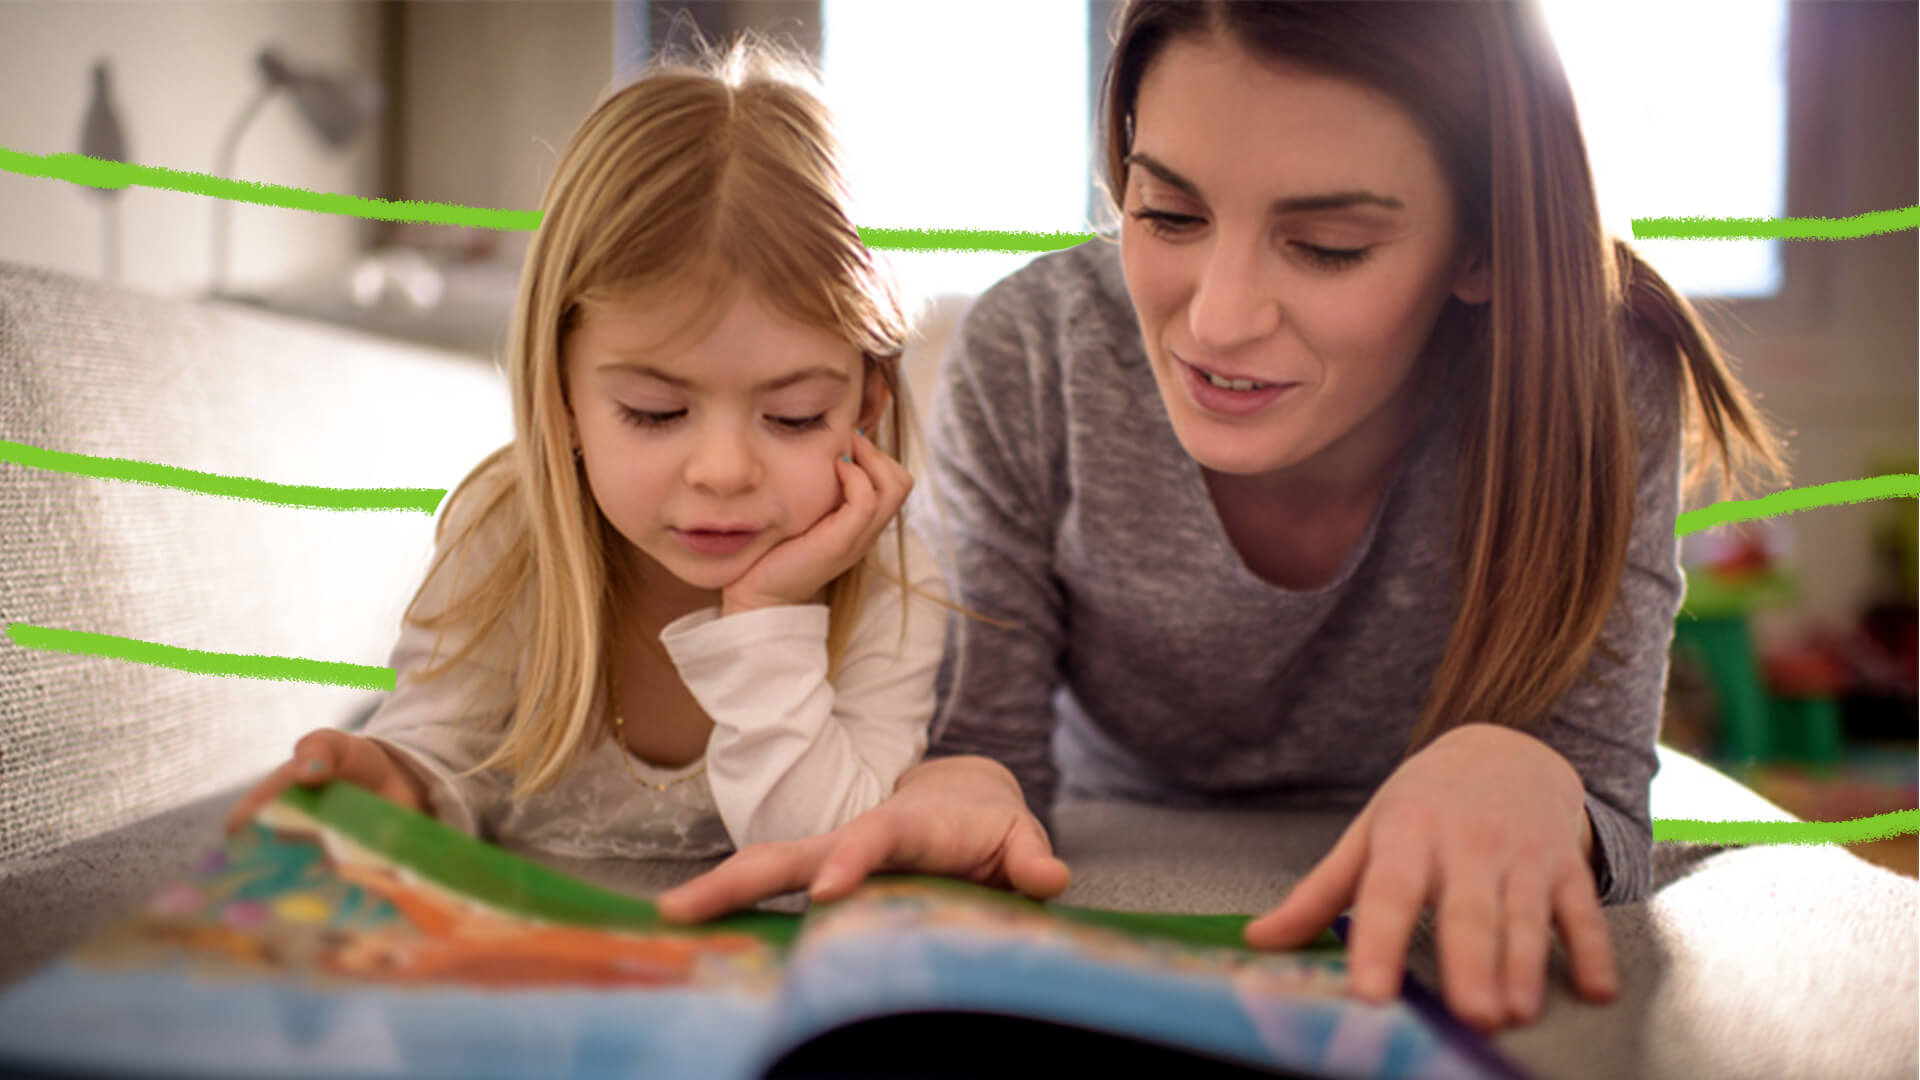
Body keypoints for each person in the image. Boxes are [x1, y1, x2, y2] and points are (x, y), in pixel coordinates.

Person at [657, 0, 1781, 1035]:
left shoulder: (1601, 372)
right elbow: (985, 760)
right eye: (1169, 212)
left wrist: (1540, 788)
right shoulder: (1034, 355)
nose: (1219, 318)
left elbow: (1612, 826)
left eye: (1330, 245)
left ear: (1480, 244)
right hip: (1115, 828)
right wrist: (967, 790)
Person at [226, 40, 947, 860]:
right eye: (652, 411)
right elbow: (434, 764)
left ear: (865, 403)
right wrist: (392, 783)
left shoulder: (893, 585)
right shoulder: (506, 534)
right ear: (560, 396)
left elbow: (828, 857)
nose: (722, 471)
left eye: (793, 416)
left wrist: (769, 618)